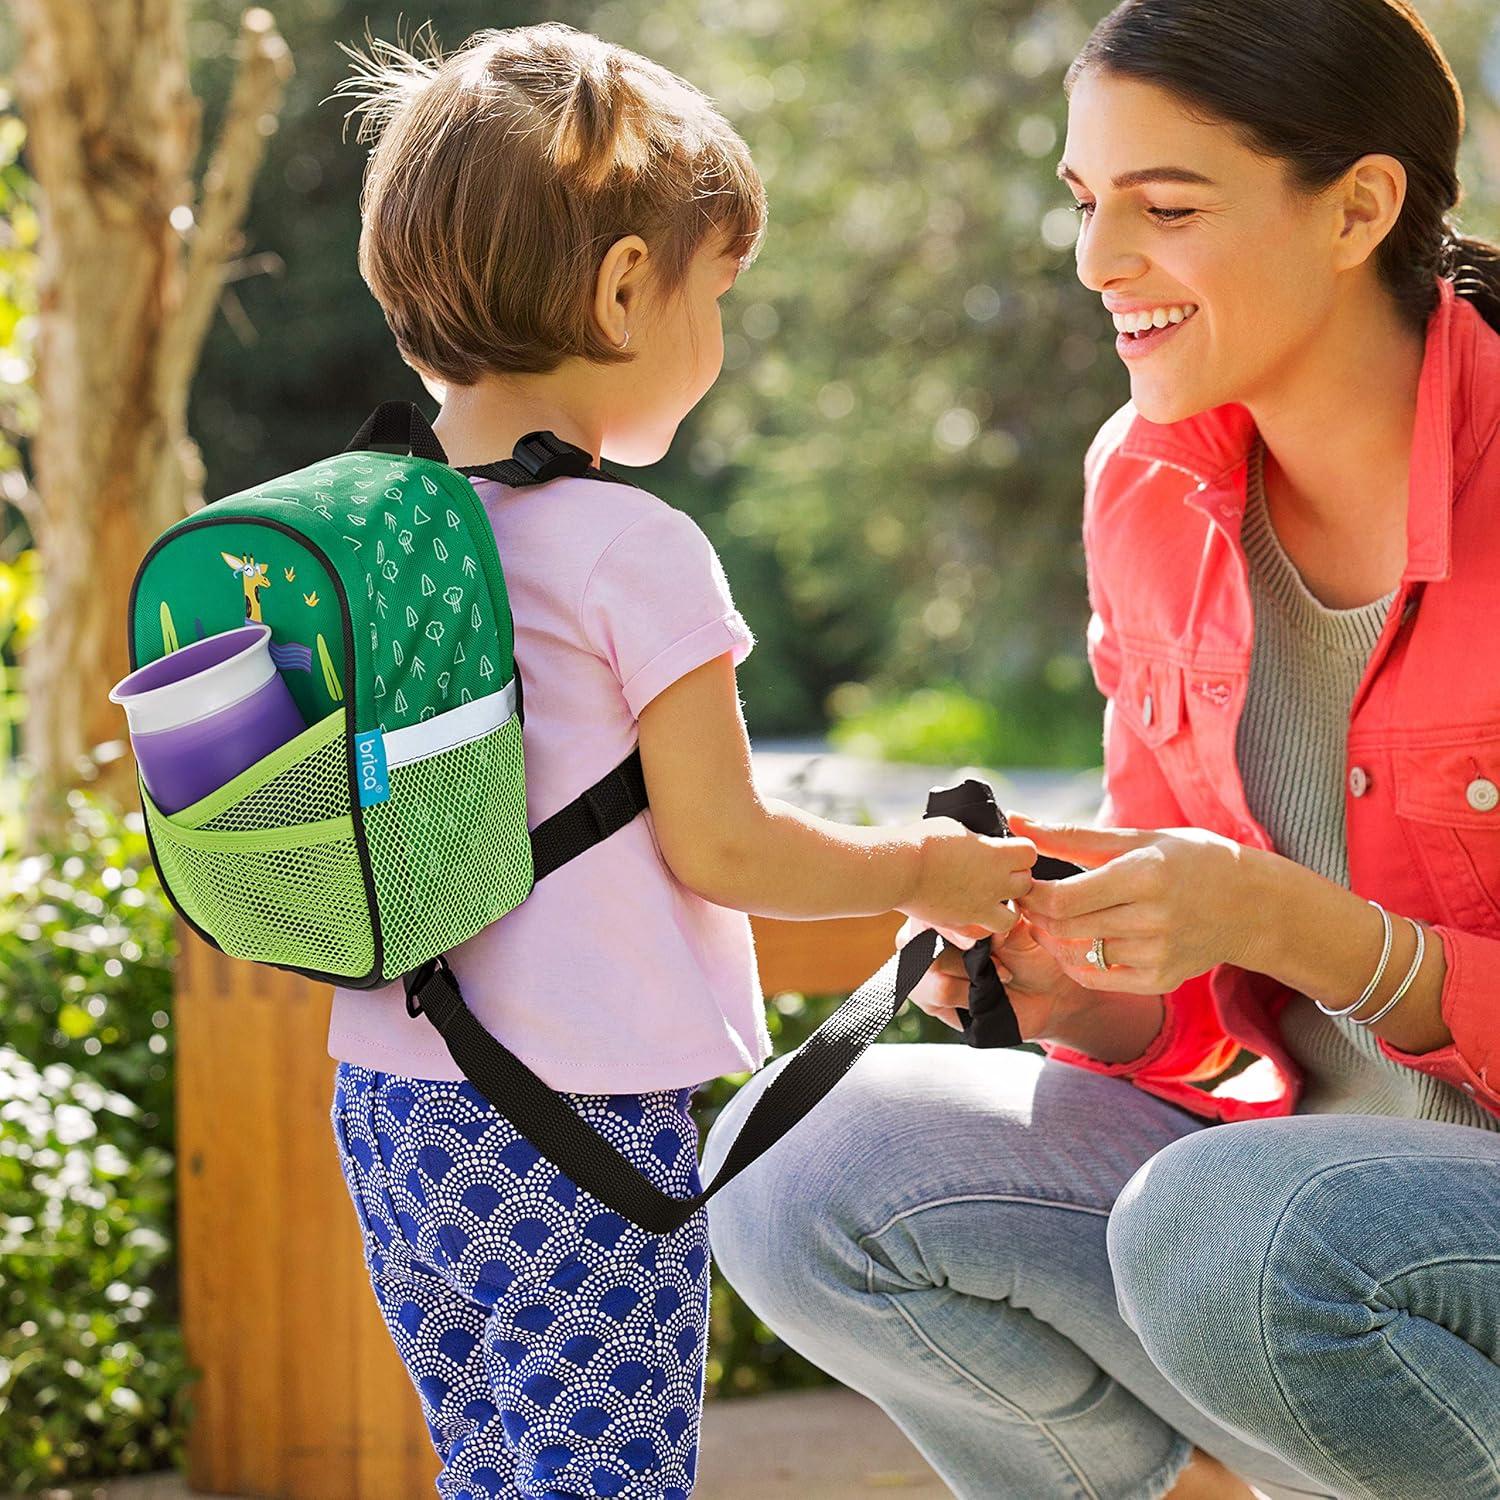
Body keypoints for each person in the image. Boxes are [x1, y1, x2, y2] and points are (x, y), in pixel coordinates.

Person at [701, 2, 1500, 1496]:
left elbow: (1283, 962)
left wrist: (1310, 931)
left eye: (1166, 207)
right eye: (1085, 201)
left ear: (1359, 209)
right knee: (799, 1156)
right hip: (1270, 1227)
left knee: (1227, 1224)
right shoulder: (1143, 485)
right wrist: (1081, 987)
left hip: (1327, 1234)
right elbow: (1199, 1025)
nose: (1096, 260)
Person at [321, 23, 1038, 1500]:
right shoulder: (631, 549)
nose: (719, 334)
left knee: (495, 1468)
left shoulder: (375, 536)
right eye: (719, 293)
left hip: (391, 1101)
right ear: (627, 287)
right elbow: (723, 846)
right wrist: (925, 873)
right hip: (570, 1116)